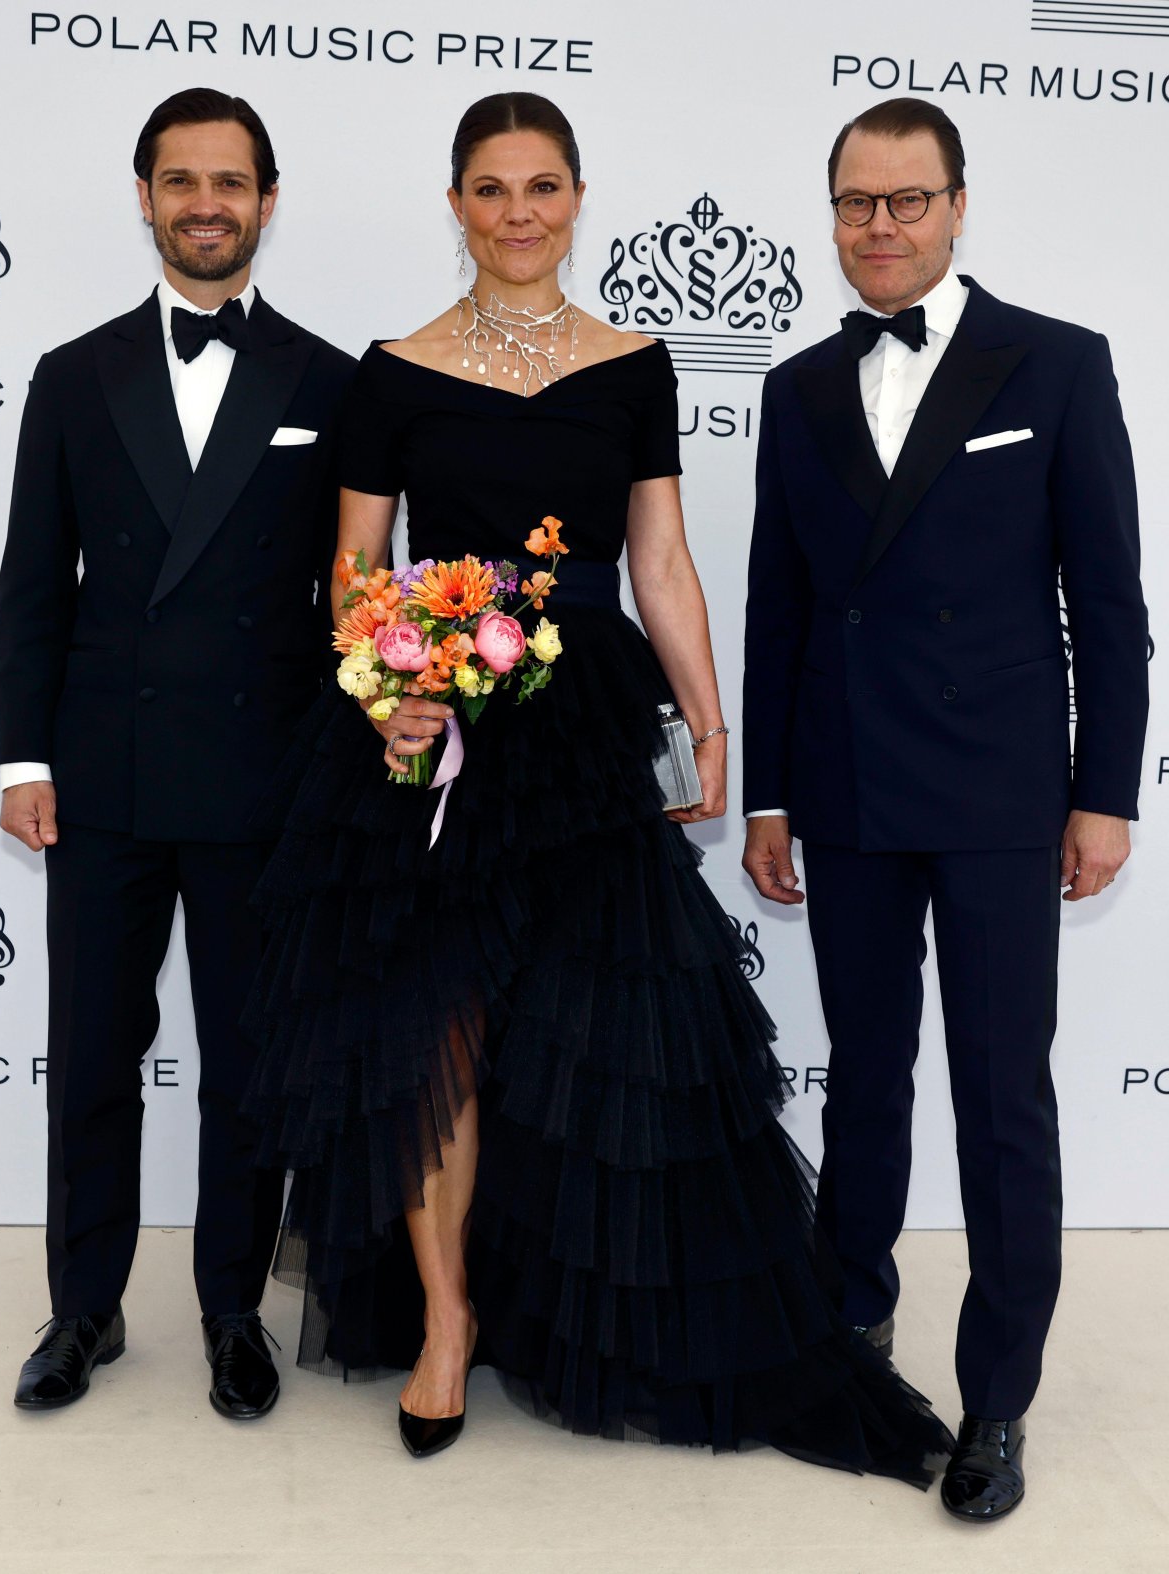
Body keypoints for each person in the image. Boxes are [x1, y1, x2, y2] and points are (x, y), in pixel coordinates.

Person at [244, 90, 954, 1481]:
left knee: (602, 1030)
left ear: (578, 200)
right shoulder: (392, 371)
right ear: (456, 204)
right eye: (492, 188)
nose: (519, 213)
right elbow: (353, 568)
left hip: (585, 732)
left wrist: (709, 719)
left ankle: (588, 1308)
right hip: (436, 735)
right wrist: (390, 695)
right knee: (436, 1041)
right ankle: (445, 1319)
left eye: (543, 187)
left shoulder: (636, 365)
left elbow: (660, 560)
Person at [742, 97, 1147, 1520]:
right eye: (857, 203)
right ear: (833, 216)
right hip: (846, 784)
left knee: (1000, 1095)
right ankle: (852, 1330)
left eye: (907, 200)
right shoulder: (798, 387)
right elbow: (779, 608)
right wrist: (771, 794)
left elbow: (1109, 603)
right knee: (865, 1076)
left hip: (999, 794)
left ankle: (997, 1399)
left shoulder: (1058, 360)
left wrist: (1106, 794)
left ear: (959, 206)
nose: (882, 227)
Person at [0, 87, 356, 1418]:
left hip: (266, 776)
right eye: (182, 180)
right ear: (144, 197)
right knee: (94, 1053)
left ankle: (231, 1311)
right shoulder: (72, 373)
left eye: (231, 181)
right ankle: (83, 1307)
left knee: (249, 1069)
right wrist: (21, 762)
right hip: (104, 773)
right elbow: (34, 584)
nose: (208, 203)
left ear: (268, 200)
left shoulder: (329, 380)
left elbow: (352, 597)